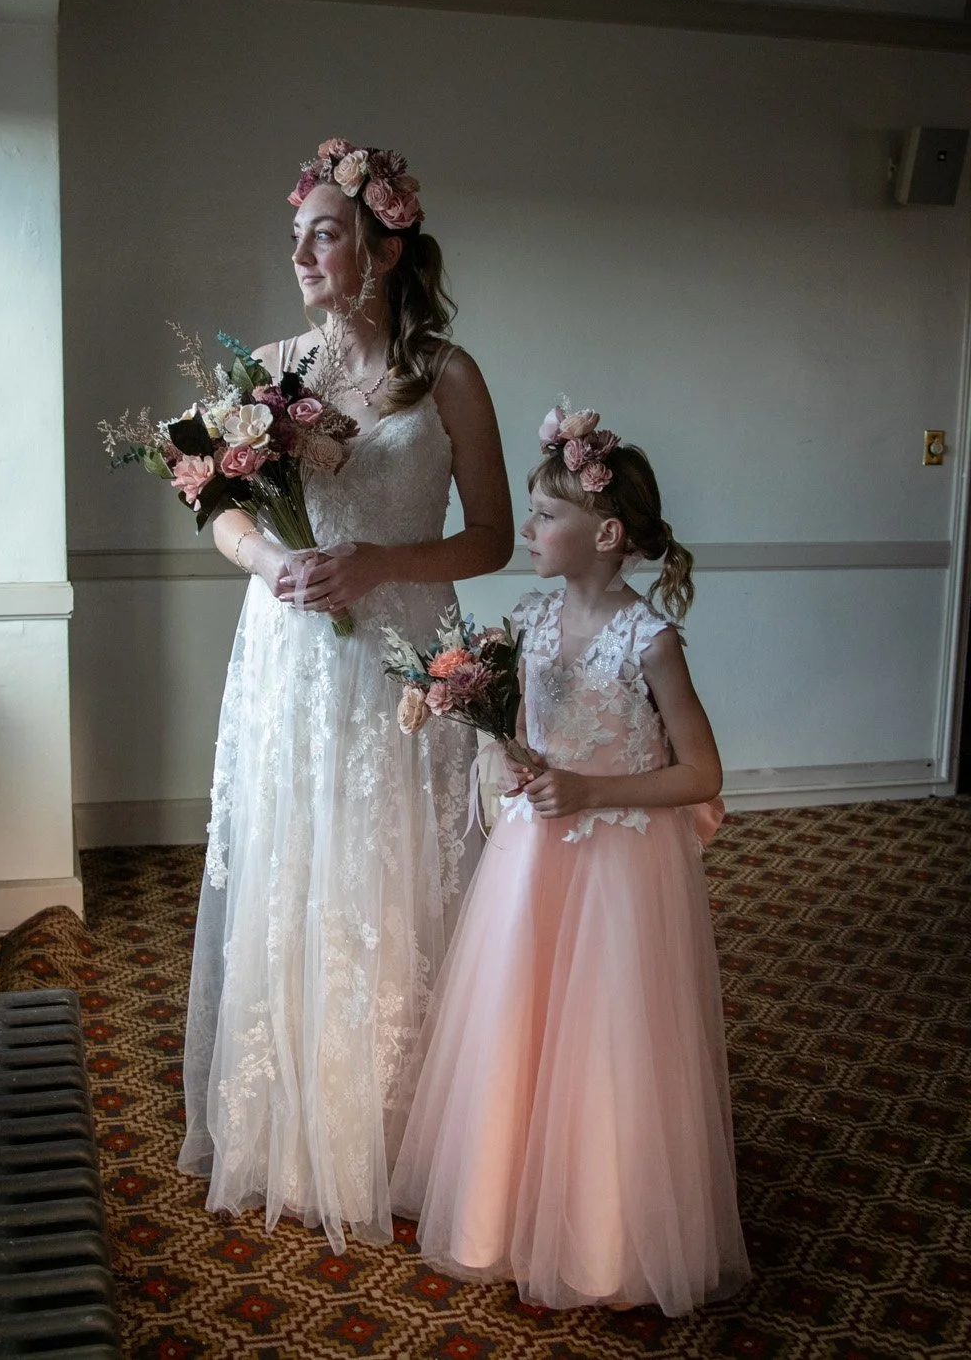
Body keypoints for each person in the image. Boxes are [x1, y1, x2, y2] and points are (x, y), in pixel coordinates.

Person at [178, 138, 513, 1254]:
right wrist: (268, 563)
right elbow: (209, 499)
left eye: (325, 232)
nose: (304, 253)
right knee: (296, 861)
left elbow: (495, 535)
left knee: (398, 863)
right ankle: (292, 1127)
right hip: (292, 654)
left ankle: (410, 1127)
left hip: (405, 655)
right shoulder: (273, 370)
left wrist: (380, 565)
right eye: (299, 235)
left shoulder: (448, 375)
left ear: (385, 241)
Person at [390, 406, 751, 1314]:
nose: (529, 530)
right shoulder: (528, 619)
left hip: (619, 865)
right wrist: (494, 738)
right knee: (517, 1015)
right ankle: (496, 1209)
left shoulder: (650, 641)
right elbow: (520, 728)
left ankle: (601, 1235)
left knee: (604, 1034)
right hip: (531, 855)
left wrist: (591, 792)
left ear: (607, 533)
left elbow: (702, 772)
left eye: (546, 516)